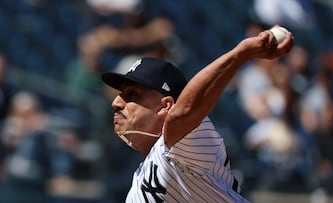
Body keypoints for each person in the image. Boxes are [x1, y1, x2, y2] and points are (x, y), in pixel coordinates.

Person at [101, 26, 294, 202]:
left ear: (165, 106)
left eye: (132, 95)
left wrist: (240, 54)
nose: (116, 102)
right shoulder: (138, 183)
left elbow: (184, 112)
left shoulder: (186, 143)